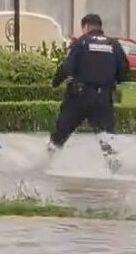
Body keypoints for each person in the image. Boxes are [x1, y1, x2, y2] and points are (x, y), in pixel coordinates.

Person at [48, 14, 129, 173]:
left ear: (85, 27)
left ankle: (48, 164)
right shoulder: (114, 44)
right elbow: (125, 71)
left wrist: (55, 83)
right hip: (103, 99)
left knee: (60, 134)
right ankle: (115, 170)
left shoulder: (82, 43)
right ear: (100, 26)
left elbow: (67, 68)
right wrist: (111, 81)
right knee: (106, 137)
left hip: (79, 98)